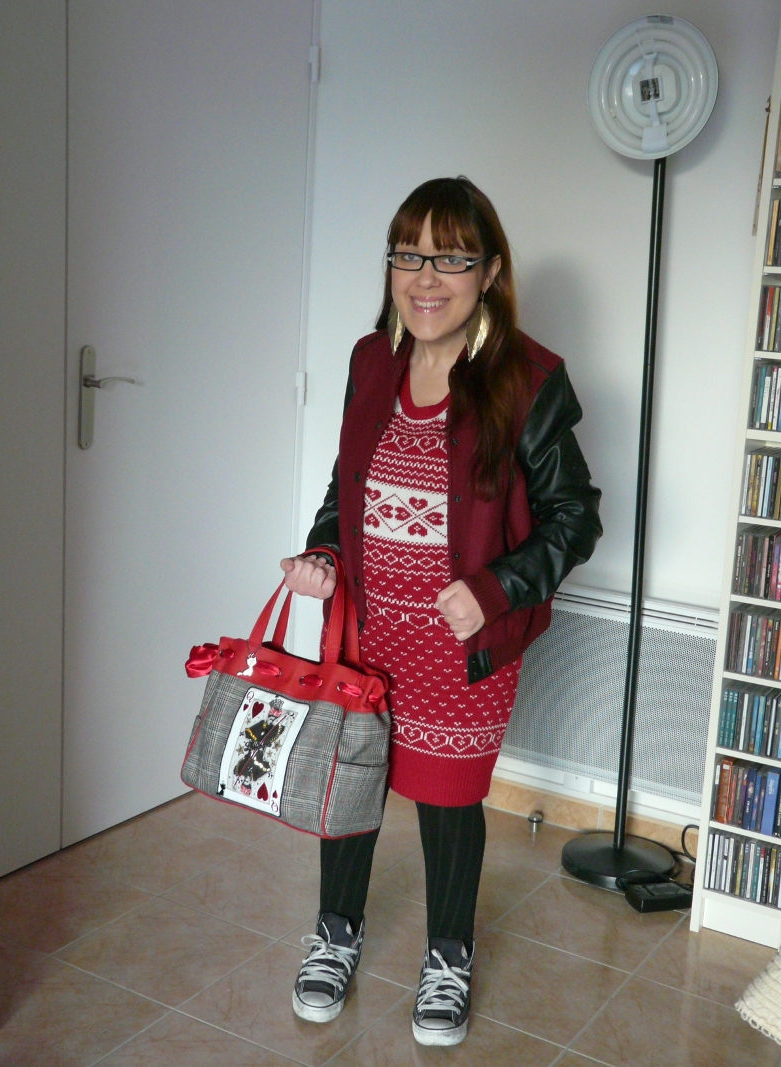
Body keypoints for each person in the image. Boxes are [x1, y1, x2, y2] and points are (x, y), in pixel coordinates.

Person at [279, 176, 602, 1047]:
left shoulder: (527, 379)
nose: (426, 277)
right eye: (408, 254)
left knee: (449, 801)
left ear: (489, 271)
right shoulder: (369, 360)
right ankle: (336, 931)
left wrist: (495, 588)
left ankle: (449, 953)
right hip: (365, 630)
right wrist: (324, 554)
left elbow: (576, 518)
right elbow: (347, 489)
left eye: (452, 258)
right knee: (351, 779)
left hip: (462, 648)